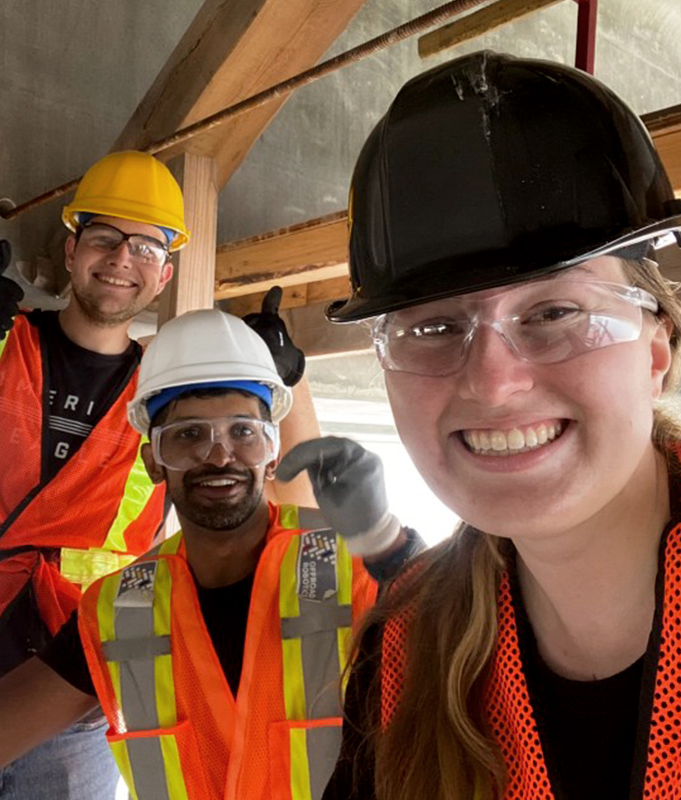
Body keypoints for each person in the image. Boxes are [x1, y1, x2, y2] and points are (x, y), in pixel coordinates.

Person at [278, 51, 681, 799]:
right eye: (432, 328)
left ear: (657, 348)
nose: (494, 385)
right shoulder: (404, 656)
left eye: (555, 312)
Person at [0, 308, 422, 800]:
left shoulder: (353, 571)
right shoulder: (119, 612)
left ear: (272, 453)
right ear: (153, 463)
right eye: (188, 435)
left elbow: (477, 647)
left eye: (243, 432)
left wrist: (390, 545)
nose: (219, 455)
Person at [0, 150, 188, 798]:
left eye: (145, 247)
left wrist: (281, 384)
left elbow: (258, 502)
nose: (121, 259)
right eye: (104, 237)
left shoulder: (174, 396)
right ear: (73, 249)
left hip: (70, 709)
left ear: (164, 274)